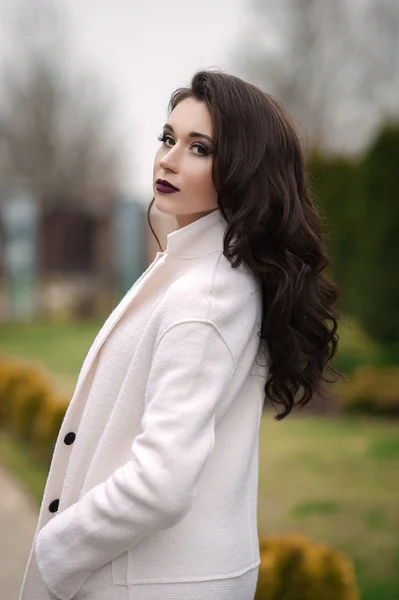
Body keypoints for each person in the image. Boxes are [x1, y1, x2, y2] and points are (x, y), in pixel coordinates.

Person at [19, 69, 340, 600]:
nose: (168, 158)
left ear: (243, 169)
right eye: (168, 138)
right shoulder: (199, 271)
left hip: (149, 583)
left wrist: (58, 549)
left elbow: (161, 483)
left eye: (200, 148)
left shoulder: (205, 296)